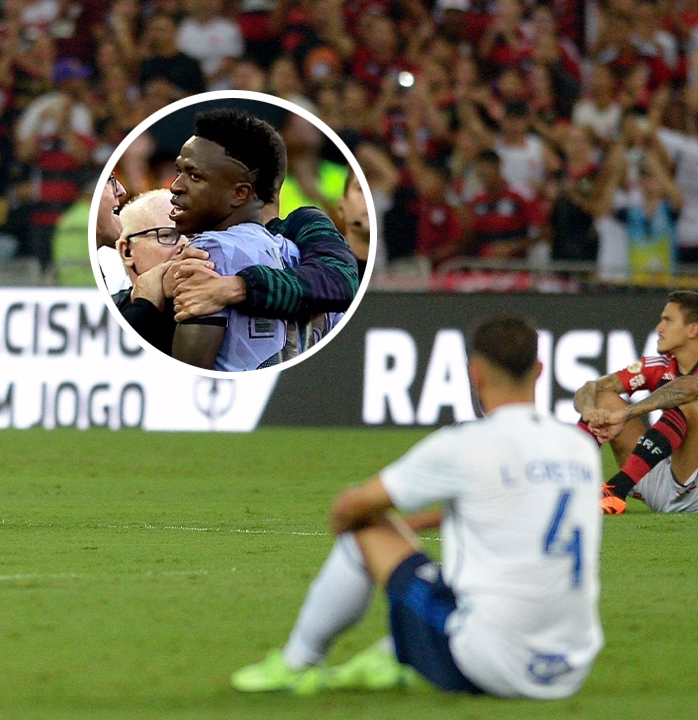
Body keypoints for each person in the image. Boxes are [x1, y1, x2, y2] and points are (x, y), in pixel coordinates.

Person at [232, 316, 603, 699]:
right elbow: (516, 506)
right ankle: (392, 655)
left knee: (364, 531)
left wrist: (372, 525)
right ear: (539, 370)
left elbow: (349, 508)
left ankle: (297, 663)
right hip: (570, 668)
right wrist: (415, 524)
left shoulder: (466, 443)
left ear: (475, 373)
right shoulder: (578, 447)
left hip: (489, 665)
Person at [168, 108, 298, 371]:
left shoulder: (210, 250)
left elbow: (188, 375)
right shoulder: (291, 250)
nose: (176, 186)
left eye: (195, 176)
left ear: (239, 194)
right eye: (179, 171)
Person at [577, 291, 698, 513]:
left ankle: (617, 488)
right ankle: (566, 481)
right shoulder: (659, 366)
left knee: (691, 403)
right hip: (662, 480)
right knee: (603, 398)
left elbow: (690, 387)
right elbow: (590, 388)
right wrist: (589, 411)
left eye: (668, 321)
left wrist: (626, 414)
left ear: (692, 329)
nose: (659, 328)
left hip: (694, 488)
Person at [113, 189, 183, 354]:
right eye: (166, 235)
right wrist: (144, 308)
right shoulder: (109, 315)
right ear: (127, 252)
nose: (186, 244)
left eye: (193, 235)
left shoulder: (223, 304)